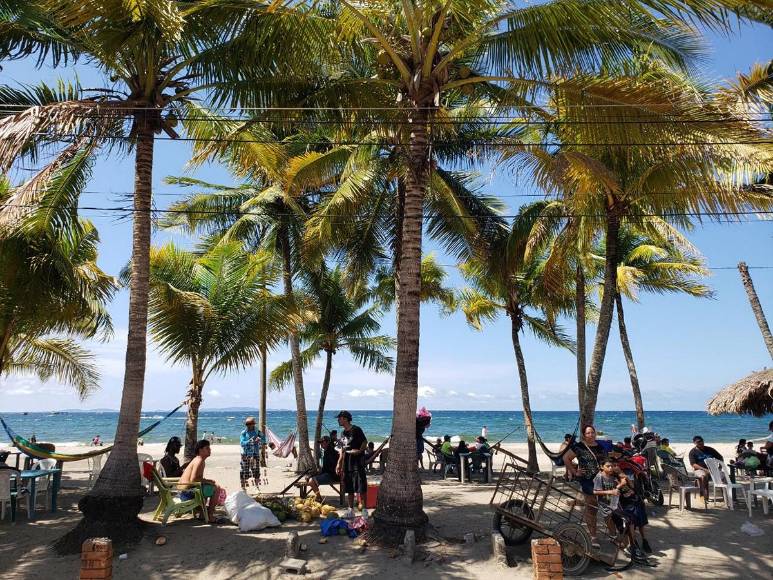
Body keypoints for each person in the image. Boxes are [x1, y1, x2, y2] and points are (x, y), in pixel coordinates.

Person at [564, 424, 613, 549]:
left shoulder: (601, 447)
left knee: (607, 509)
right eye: (588, 433)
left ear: (595, 433)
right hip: (587, 481)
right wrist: (575, 472)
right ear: (584, 435)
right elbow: (566, 458)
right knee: (592, 510)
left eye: (592, 432)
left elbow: (607, 463)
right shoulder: (579, 447)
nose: (591, 435)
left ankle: (613, 534)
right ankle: (593, 537)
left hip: (603, 482)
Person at [179, 439, 221, 522]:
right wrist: (208, 481)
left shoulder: (198, 459)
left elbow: (197, 478)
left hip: (184, 491)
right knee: (216, 488)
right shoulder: (199, 460)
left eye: (209, 448)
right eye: (207, 448)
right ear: (200, 450)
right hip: (187, 493)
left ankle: (203, 514)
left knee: (208, 486)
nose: (210, 450)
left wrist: (207, 480)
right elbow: (193, 479)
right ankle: (210, 515)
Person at [335, 410, 368, 518]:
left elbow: (364, 442)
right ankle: (350, 511)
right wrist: (339, 464)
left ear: (345, 418)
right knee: (349, 488)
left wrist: (359, 451)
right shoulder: (342, 433)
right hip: (347, 464)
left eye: (339, 418)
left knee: (361, 488)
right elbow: (342, 450)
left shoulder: (357, 430)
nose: (338, 420)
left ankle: (364, 511)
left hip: (357, 463)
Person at [307, 436, 340, 501]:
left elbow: (330, 468)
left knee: (311, 481)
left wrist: (318, 474)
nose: (321, 444)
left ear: (328, 442)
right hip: (329, 474)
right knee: (310, 479)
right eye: (320, 442)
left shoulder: (331, 452)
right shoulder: (327, 451)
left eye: (322, 442)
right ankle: (318, 497)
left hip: (332, 476)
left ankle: (319, 498)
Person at [239, 416, 265, 489]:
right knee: (244, 471)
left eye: (250, 423)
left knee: (256, 471)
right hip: (245, 454)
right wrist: (250, 441)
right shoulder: (243, 433)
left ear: (254, 424)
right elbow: (242, 443)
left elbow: (264, 440)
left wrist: (259, 440)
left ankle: (257, 488)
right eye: (247, 424)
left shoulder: (258, 432)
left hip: (255, 454)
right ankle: (243, 488)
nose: (249, 425)